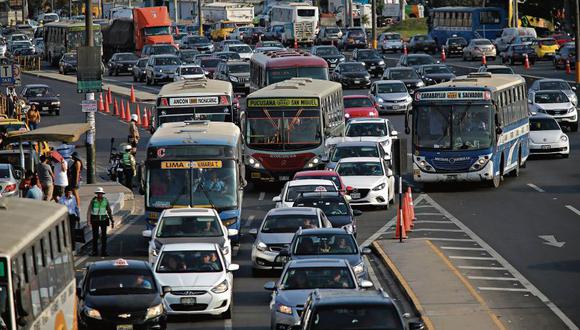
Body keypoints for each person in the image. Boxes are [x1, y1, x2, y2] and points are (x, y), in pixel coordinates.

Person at [87, 187, 114, 256]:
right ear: (97, 194)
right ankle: (95, 251)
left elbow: (109, 211)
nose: (100, 195)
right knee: (95, 236)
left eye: (101, 194)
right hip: (95, 220)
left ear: (102, 194)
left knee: (104, 237)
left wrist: (112, 220)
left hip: (103, 220)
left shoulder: (105, 200)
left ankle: (104, 251)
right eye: (98, 194)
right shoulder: (93, 201)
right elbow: (89, 211)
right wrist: (88, 221)